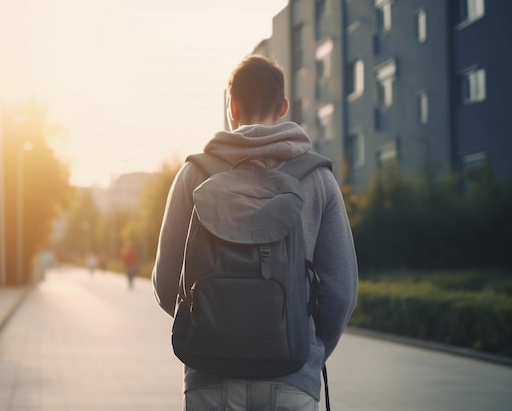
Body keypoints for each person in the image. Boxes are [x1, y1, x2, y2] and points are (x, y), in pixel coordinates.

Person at [152, 55, 358, 411]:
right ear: (283, 106)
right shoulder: (317, 177)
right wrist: (305, 346)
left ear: (232, 106)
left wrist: (213, 327)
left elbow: (166, 282)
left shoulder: (194, 174)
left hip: (209, 376)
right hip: (292, 378)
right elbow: (341, 291)